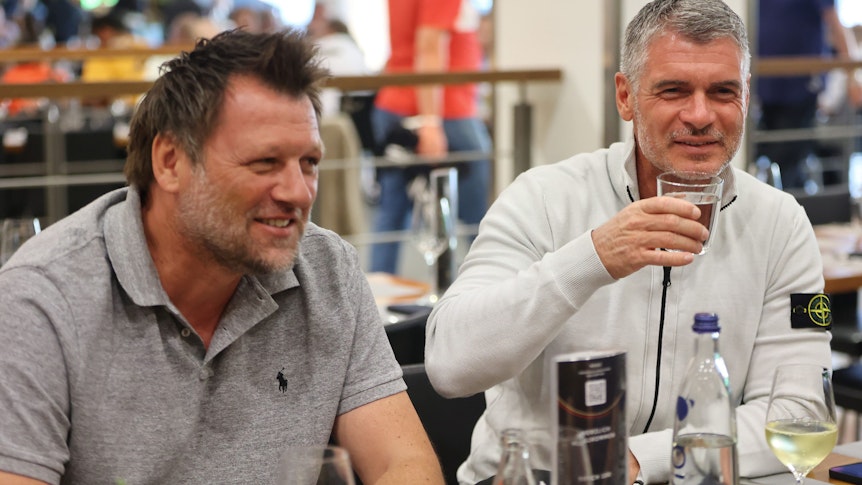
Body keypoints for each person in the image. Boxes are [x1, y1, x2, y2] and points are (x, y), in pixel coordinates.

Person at [0, 29, 444, 485]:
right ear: (171, 162)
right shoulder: (40, 301)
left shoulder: (327, 269)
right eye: (265, 163)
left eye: (308, 163)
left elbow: (405, 465)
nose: (298, 192)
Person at [425, 0, 832, 483]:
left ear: (746, 94)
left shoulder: (782, 224)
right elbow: (449, 365)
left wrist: (638, 459)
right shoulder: (545, 198)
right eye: (673, 90)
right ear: (626, 96)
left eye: (723, 91)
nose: (700, 115)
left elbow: (800, 410)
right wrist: (592, 257)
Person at [369, 0, 492, 274]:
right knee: (479, 221)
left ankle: (372, 299)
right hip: (444, 111)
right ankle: (492, 292)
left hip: (401, 103)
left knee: (392, 213)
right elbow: (428, 46)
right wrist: (430, 122)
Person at [756, 0, 862, 190]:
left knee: (787, 157)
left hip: (800, 87)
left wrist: (853, 77)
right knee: (773, 155)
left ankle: (790, 207)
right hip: (767, 87)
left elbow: (835, 23)